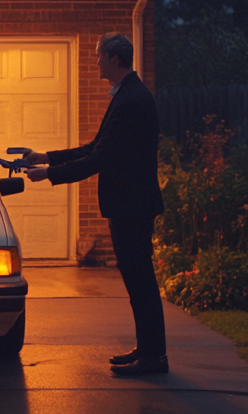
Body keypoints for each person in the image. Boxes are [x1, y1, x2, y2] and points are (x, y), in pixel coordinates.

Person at [18, 33, 169, 375]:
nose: (95, 62)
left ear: (115, 59)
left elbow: (101, 157)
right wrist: (46, 157)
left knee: (140, 281)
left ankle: (153, 357)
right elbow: (96, 146)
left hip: (131, 206)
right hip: (130, 205)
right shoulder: (128, 95)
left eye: (99, 56)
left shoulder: (131, 101)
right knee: (137, 281)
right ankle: (147, 350)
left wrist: (49, 174)